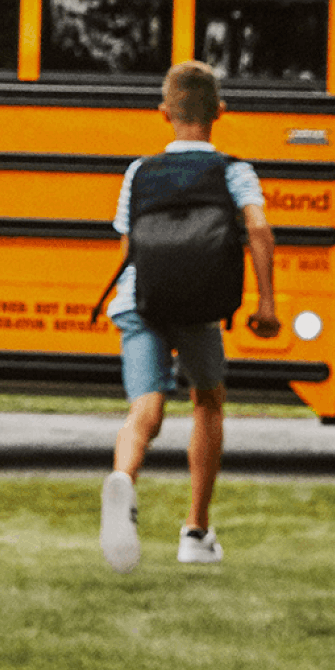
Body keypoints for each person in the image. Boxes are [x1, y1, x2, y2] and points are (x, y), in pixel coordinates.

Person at [98, 61, 279, 573]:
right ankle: (195, 532)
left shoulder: (140, 171)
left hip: (142, 301)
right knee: (208, 400)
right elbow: (259, 231)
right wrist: (266, 303)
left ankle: (123, 479)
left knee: (145, 412)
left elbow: (130, 248)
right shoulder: (233, 170)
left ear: (164, 113)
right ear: (220, 111)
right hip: (200, 305)